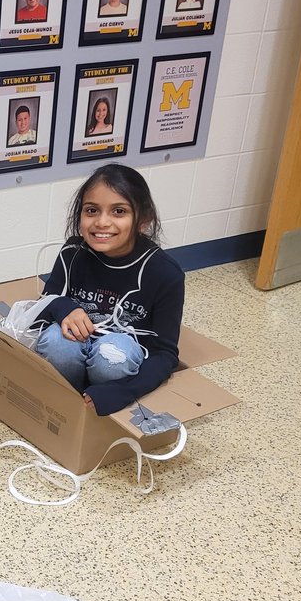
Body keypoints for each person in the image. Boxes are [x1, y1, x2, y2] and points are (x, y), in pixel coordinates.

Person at [32, 164, 184, 416]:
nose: (102, 222)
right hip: (75, 353)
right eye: (92, 210)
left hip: (121, 368)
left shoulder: (165, 273)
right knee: (56, 342)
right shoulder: (73, 252)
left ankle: (99, 404)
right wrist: (65, 307)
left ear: (143, 220)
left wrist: (124, 391)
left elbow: (165, 354)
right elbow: (44, 304)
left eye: (119, 211)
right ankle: (71, 400)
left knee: (112, 354)